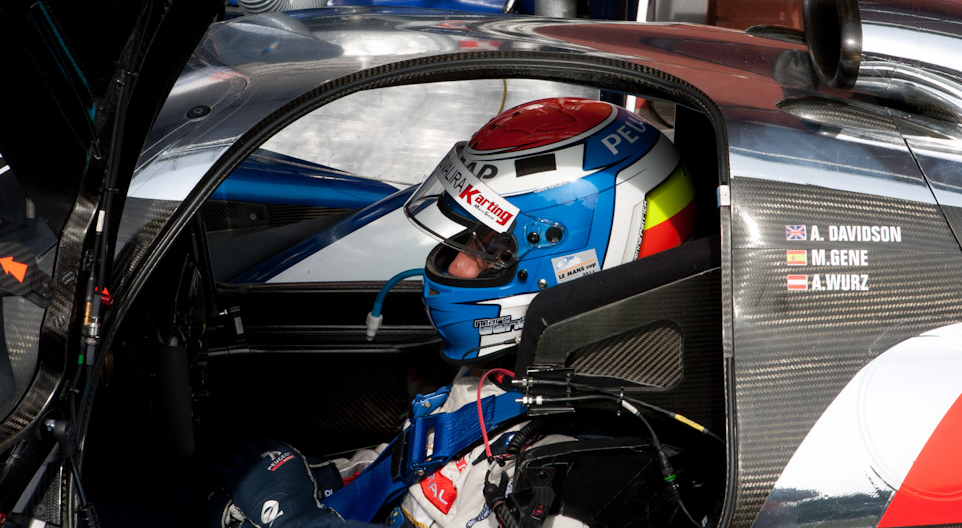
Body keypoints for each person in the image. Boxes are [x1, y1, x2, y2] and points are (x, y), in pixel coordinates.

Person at [206, 97, 697, 528]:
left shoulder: (599, 471)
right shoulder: (505, 377)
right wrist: (309, 481)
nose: (460, 263)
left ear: (571, 261)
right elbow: (414, 467)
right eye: (469, 239)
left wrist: (296, 521)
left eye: (490, 248)